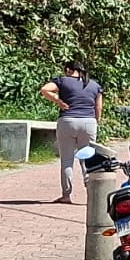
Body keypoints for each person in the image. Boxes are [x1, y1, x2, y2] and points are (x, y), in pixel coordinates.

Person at [40, 61, 103, 205]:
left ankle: (66, 195)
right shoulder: (94, 85)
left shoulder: (62, 81)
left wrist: (58, 101)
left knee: (67, 160)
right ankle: (92, 196)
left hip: (67, 121)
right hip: (88, 122)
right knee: (88, 160)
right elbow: (98, 107)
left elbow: (44, 90)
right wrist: (96, 122)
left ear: (68, 70)